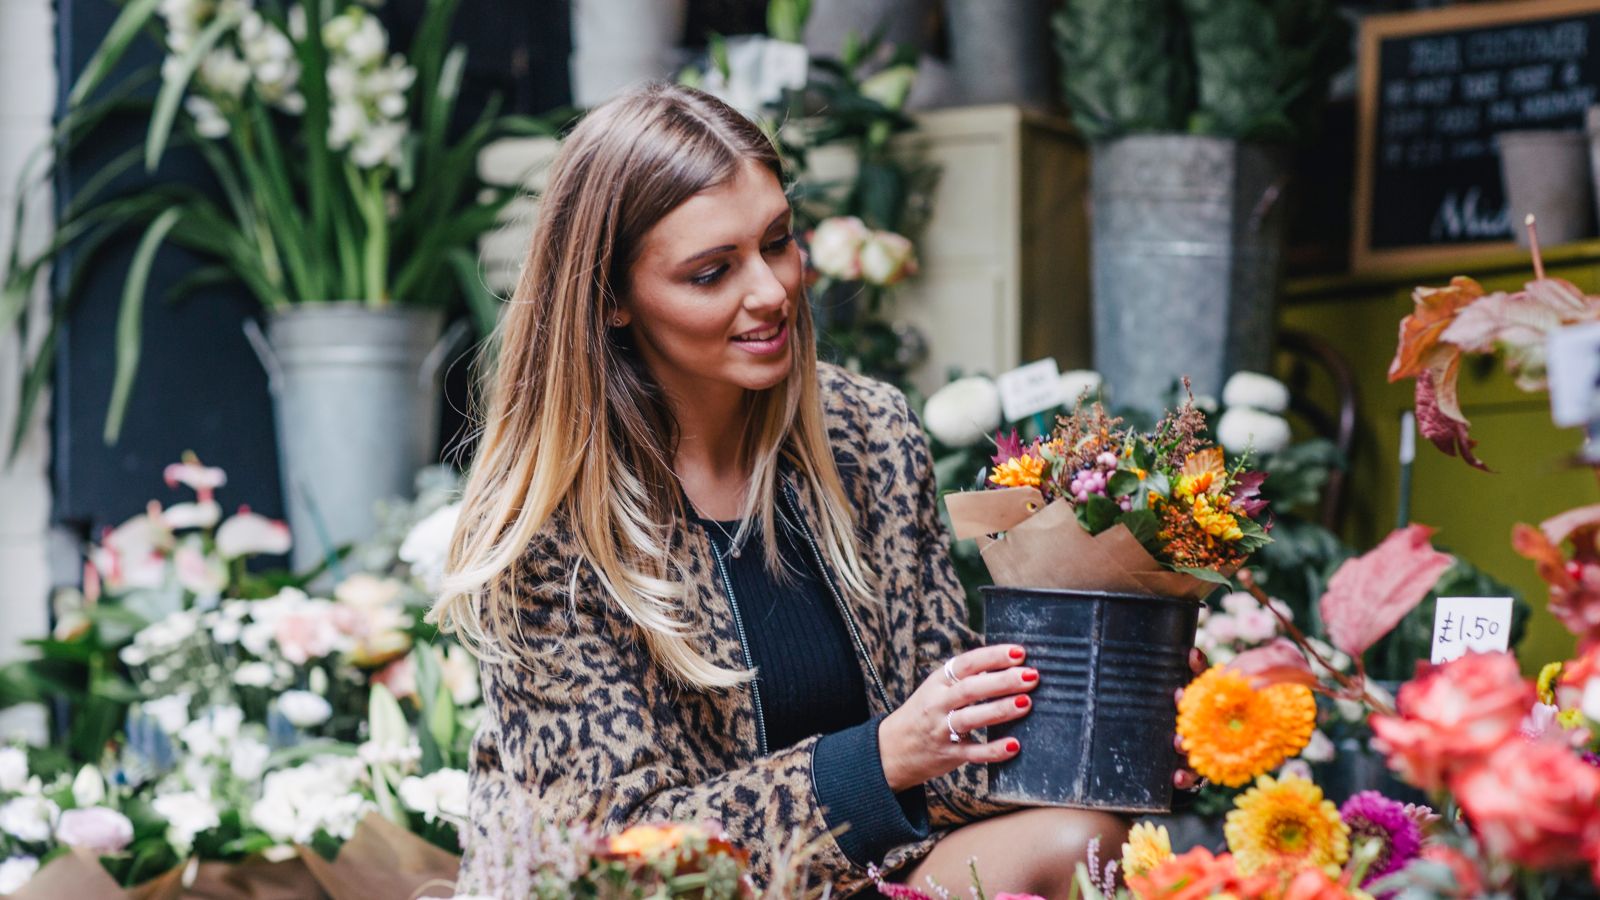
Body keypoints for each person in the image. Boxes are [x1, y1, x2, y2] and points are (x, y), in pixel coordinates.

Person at [432, 82, 1191, 898]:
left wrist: (1115, 713)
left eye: (778, 241)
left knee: (1089, 844)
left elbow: (951, 753)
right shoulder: (546, 532)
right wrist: (881, 759)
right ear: (612, 300)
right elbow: (619, 856)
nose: (771, 290)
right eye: (711, 272)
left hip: (866, 879)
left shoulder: (867, 435)